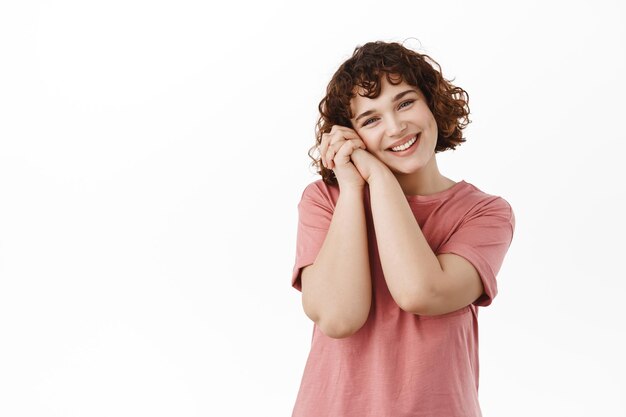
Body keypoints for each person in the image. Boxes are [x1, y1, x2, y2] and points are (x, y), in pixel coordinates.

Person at [290, 40, 515, 417]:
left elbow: (421, 293)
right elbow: (338, 317)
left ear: (432, 104)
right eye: (371, 119)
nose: (395, 127)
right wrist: (352, 188)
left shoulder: (484, 213)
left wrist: (379, 176)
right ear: (350, 135)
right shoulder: (325, 201)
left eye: (405, 102)